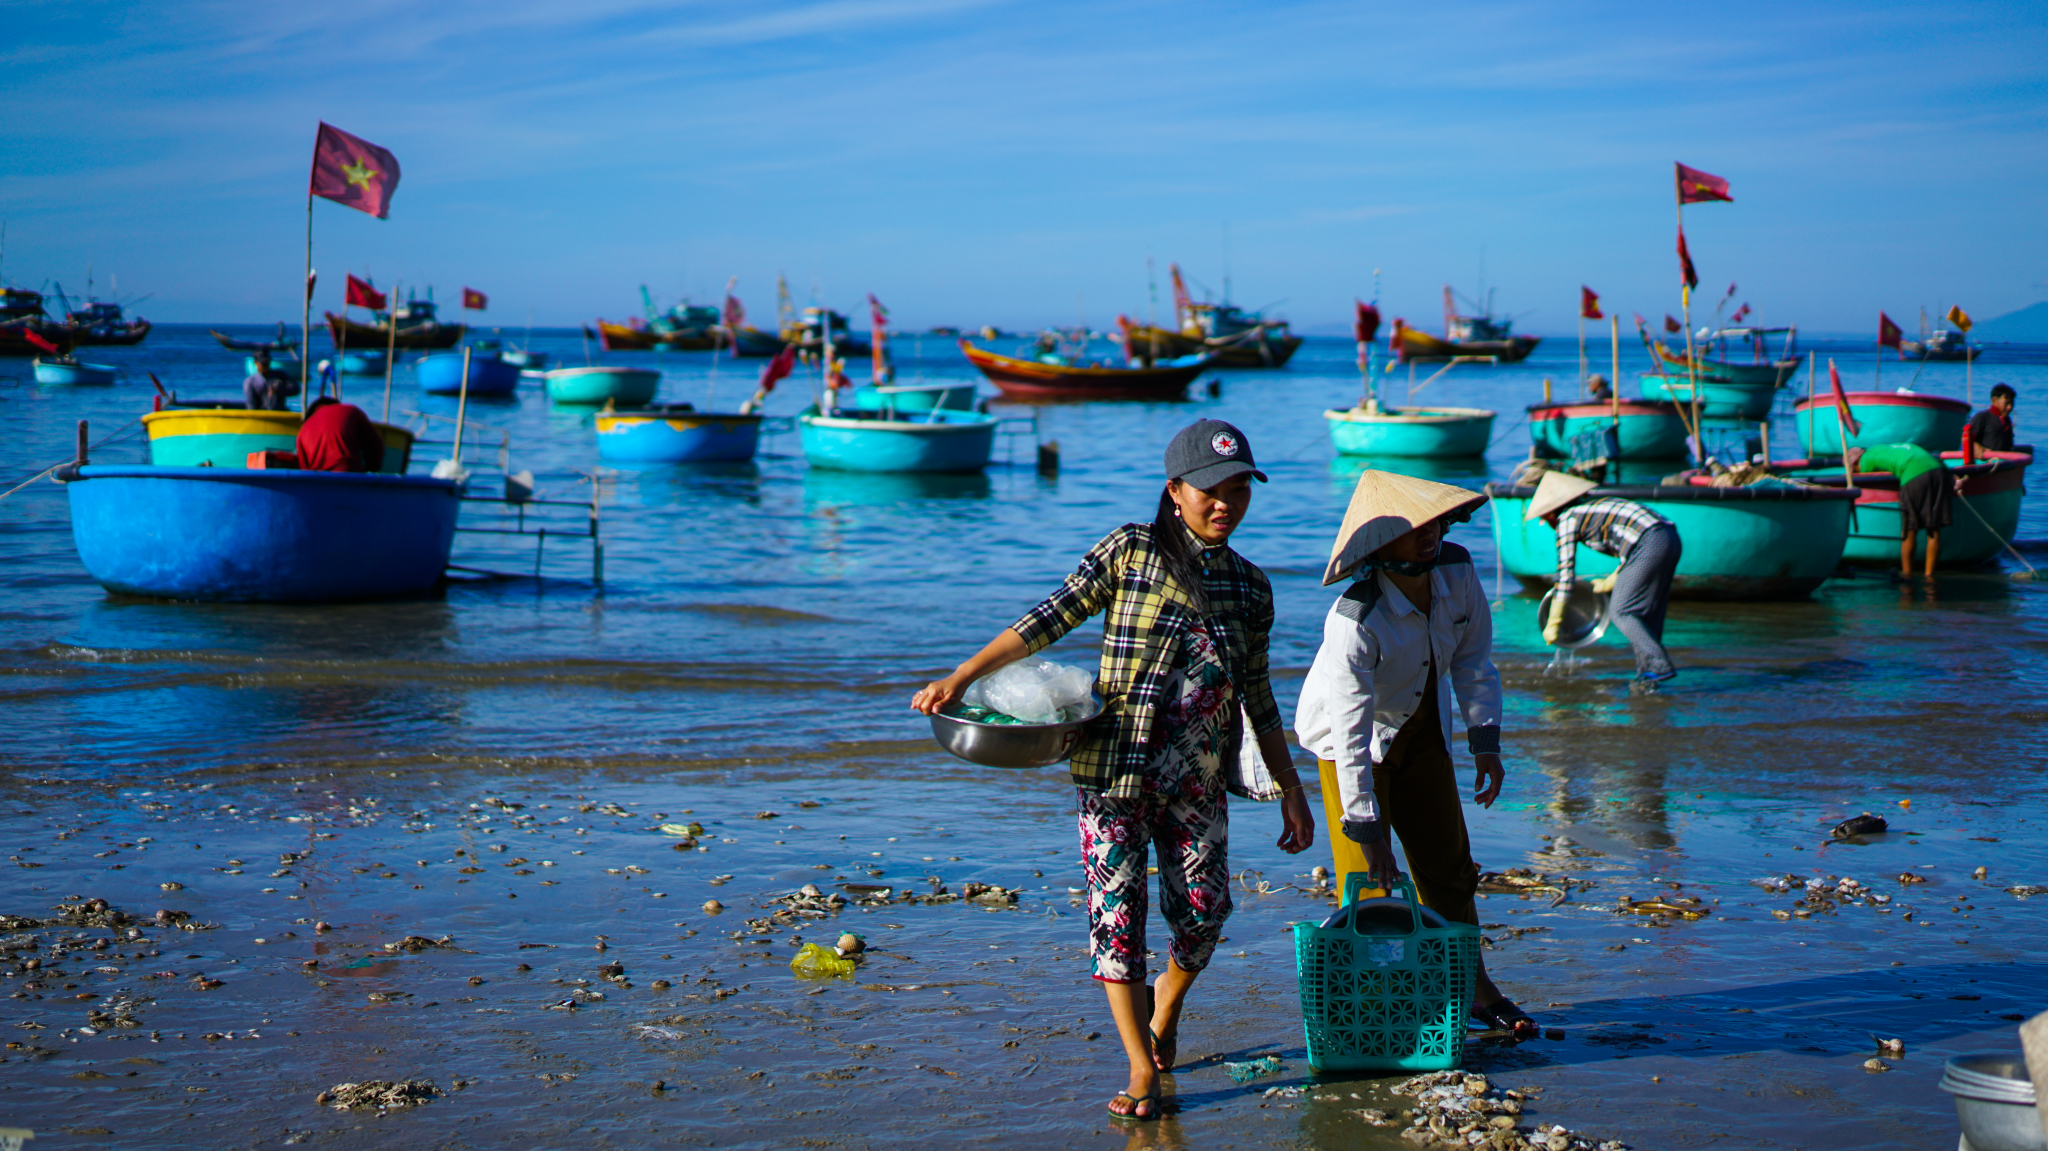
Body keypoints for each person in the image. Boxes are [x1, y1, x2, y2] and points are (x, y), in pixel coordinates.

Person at [912, 419, 1315, 1122]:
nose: (1227, 502)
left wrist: (1291, 787)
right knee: (1116, 918)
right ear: (1176, 489)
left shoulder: (1252, 587)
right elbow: (1048, 618)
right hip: (1115, 772)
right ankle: (1139, 1062)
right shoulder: (1131, 549)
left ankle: (1166, 1005)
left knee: (1205, 915)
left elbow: (1260, 696)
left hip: (1198, 780)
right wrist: (963, 675)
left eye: (1239, 488)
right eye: (1212, 489)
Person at [1294, 471, 1532, 1038]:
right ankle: (1372, 1008)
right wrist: (1367, 826)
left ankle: (1476, 991)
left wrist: (1485, 741)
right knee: (1372, 885)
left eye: (1434, 522)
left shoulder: (1457, 571)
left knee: (1450, 871)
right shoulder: (1355, 619)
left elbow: (1474, 661)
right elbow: (1350, 731)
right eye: (1412, 529)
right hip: (1351, 747)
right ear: (1380, 546)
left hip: (1423, 733)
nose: (1430, 535)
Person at [1530, 471, 1681, 694]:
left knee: (1621, 611)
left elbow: (1565, 574)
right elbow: (1629, 541)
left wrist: (1554, 621)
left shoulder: (1567, 519)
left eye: (1545, 517)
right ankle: (1647, 678)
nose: (1548, 523)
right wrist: (1612, 580)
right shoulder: (1592, 508)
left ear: (1553, 512)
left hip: (1649, 541)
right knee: (1646, 615)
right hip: (1669, 536)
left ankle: (1658, 664)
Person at [1846, 443, 1960, 577]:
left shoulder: (1865, 461)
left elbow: (1863, 475)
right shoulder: (1879, 449)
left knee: (1909, 532)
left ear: (1855, 462)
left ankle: (1907, 576)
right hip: (1938, 471)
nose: (1856, 472)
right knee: (1934, 530)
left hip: (1913, 475)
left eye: (1854, 470)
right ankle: (1930, 577)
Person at [296, 396, 386, 473]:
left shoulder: (303, 430)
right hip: (348, 474)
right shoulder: (350, 410)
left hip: (319, 484)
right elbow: (375, 445)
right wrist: (370, 471)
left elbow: (304, 470)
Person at [1963, 384, 2016, 462]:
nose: (2010, 407)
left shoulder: (2007, 421)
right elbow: (1967, 439)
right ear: (1994, 400)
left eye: (2012, 403)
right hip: (1984, 464)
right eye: (2006, 403)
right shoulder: (1982, 417)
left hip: (2002, 464)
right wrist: (1976, 447)